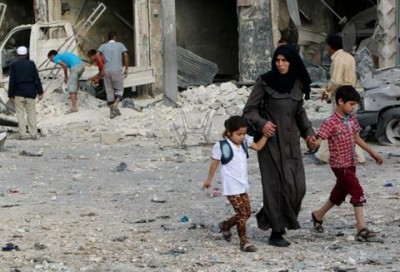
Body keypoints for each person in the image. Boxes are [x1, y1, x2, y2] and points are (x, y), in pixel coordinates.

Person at [243, 44, 316, 247]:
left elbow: (299, 113)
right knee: (275, 188)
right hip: (270, 144)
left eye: (284, 60)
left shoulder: (298, 84)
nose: (281, 64)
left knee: (297, 187)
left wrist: (309, 134)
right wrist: (262, 124)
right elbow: (249, 110)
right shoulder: (264, 82)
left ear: (292, 61)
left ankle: (268, 216)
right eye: (277, 60)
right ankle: (276, 231)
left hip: (291, 143)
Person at [310, 85, 383, 241]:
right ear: (340, 102)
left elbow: (356, 137)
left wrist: (372, 152)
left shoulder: (351, 119)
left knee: (340, 192)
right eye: (351, 104)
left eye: (355, 105)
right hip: (340, 165)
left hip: (351, 162)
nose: (353, 107)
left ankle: (318, 214)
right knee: (357, 192)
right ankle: (361, 228)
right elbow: (319, 140)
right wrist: (312, 142)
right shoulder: (330, 122)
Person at [203, 115, 268, 253]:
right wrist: (209, 179)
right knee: (243, 214)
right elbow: (215, 163)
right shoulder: (222, 146)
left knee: (246, 213)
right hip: (231, 186)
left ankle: (226, 225)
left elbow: (258, 146)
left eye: (244, 134)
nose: (242, 137)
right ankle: (244, 242)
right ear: (229, 132)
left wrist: (266, 136)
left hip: (243, 185)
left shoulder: (245, 142)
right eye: (238, 134)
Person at [311, 34, 365, 164]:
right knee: (348, 126)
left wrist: (326, 92)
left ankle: (322, 156)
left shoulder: (338, 60)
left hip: (341, 96)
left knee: (334, 125)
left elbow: (336, 81)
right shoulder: (349, 57)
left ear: (330, 47)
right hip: (351, 95)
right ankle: (360, 156)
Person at [8, 46, 43, 140]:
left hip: (19, 92)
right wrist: (40, 91)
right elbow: (36, 78)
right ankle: (33, 134)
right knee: (31, 113)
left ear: (17, 55)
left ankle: (22, 134)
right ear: (26, 54)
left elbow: (12, 80)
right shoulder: (31, 64)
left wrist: (10, 94)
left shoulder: (14, 65)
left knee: (20, 114)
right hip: (30, 91)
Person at [97, 31, 129, 119]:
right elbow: (125, 54)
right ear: (115, 37)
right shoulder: (120, 45)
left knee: (109, 91)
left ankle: (111, 113)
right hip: (117, 70)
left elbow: (97, 55)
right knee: (119, 88)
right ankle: (116, 104)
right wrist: (126, 67)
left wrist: (102, 66)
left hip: (107, 70)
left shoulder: (103, 46)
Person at [47, 50, 85, 114]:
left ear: (52, 55)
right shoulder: (63, 54)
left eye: (50, 58)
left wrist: (66, 76)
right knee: (76, 80)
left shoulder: (56, 58)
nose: (50, 60)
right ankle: (75, 97)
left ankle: (74, 107)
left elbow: (64, 65)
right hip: (82, 65)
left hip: (75, 67)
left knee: (71, 85)